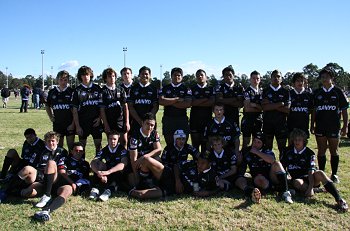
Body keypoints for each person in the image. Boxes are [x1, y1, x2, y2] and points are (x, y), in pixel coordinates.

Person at [281, 128, 348, 212]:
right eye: (295, 140)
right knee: (297, 183)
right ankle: (316, 190)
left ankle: (340, 200)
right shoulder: (287, 151)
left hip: (311, 177)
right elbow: (282, 168)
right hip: (299, 179)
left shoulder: (310, 153)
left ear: (304, 141)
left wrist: (310, 188)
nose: (297, 142)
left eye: (299, 140)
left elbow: (311, 171)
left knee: (320, 173)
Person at [33, 142, 90, 221]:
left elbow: (85, 178)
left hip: (67, 186)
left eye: (81, 151)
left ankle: (47, 211)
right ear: (71, 151)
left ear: (83, 152)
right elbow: (62, 171)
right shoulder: (65, 159)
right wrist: (72, 182)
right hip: (57, 180)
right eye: (76, 150)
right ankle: (47, 195)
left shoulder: (85, 164)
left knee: (67, 191)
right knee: (51, 163)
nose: (78, 152)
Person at [311, 67, 349, 183]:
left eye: (327, 77)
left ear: (332, 78)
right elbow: (313, 111)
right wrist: (312, 125)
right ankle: (321, 173)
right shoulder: (317, 93)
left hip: (334, 126)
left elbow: (344, 111)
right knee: (321, 150)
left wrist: (345, 126)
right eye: (322, 77)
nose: (324, 79)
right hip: (320, 126)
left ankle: (334, 174)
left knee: (334, 151)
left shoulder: (338, 92)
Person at [241, 132, 293, 204]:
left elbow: (271, 160)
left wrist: (256, 152)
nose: (255, 144)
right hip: (258, 177)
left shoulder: (266, 150)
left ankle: (286, 192)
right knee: (260, 179)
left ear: (263, 144)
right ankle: (277, 189)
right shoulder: (247, 151)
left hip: (270, 176)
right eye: (254, 141)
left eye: (259, 142)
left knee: (277, 164)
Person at [206, 136, 261, 203]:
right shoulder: (209, 154)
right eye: (214, 145)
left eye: (219, 144)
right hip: (219, 178)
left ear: (222, 144)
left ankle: (251, 192)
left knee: (241, 180)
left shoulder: (229, 152)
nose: (217, 146)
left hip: (231, 176)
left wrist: (220, 177)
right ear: (212, 146)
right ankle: (226, 187)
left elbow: (233, 170)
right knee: (217, 183)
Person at [72, 65, 103, 154]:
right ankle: (83, 165)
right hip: (83, 123)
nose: (85, 77)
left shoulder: (97, 88)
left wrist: (100, 118)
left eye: (87, 74)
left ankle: (97, 165)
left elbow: (102, 107)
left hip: (95, 122)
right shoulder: (77, 90)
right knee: (81, 147)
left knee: (98, 146)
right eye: (83, 75)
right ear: (80, 76)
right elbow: (74, 110)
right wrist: (77, 126)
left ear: (90, 75)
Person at [89, 131, 128, 201]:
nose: (112, 141)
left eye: (114, 139)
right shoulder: (104, 150)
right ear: (107, 139)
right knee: (99, 164)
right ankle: (95, 189)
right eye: (110, 139)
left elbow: (123, 164)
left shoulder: (122, 150)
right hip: (107, 172)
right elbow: (93, 162)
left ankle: (109, 191)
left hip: (116, 172)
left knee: (119, 171)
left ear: (118, 139)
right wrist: (99, 173)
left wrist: (108, 172)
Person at [159, 67, 192, 146]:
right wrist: (177, 99)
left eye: (179, 75)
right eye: (174, 75)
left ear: (182, 77)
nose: (177, 77)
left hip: (182, 120)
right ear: (171, 76)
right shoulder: (165, 88)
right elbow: (161, 101)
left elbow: (187, 104)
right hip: (168, 119)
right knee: (169, 144)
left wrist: (169, 101)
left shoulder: (186, 89)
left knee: (182, 144)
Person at [128, 112, 162, 188]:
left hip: (146, 159)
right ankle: (142, 180)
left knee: (158, 159)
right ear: (142, 123)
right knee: (134, 185)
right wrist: (137, 178)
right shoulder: (134, 136)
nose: (150, 127)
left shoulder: (154, 133)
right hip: (136, 163)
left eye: (152, 125)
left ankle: (156, 181)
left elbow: (159, 150)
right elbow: (133, 160)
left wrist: (145, 157)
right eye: (147, 124)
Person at [161, 130, 199, 194]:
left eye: (183, 139)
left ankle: (196, 190)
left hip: (184, 169)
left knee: (194, 173)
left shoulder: (187, 147)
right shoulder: (168, 148)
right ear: (175, 139)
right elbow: (163, 162)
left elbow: (199, 155)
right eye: (179, 139)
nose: (181, 141)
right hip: (171, 170)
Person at [261, 70, 290, 155]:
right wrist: (279, 104)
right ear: (271, 78)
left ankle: (282, 167)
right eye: (274, 76)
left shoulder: (285, 92)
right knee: (267, 149)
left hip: (281, 124)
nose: (276, 78)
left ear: (281, 79)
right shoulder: (265, 91)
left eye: (278, 76)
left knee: (282, 149)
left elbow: (287, 110)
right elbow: (264, 108)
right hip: (267, 124)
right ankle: (269, 167)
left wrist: (271, 104)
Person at [45, 70, 75, 151]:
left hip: (69, 123)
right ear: (57, 80)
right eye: (61, 80)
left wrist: (73, 123)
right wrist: (51, 117)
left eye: (65, 80)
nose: (63, 82)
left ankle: (70, 163)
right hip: (58, 123)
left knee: (71, 146)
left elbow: (75, 110)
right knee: (59, 147)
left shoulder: (72, 92)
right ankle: (60, 162)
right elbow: (47, 105)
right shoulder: (52, 92)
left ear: (68, 80)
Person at [100, 67, 129, 148]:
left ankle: (123, 159)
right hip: (110, 121)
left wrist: (127, 122)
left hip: (120, 120)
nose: (112, 78)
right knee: (112, 142)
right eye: (109, 76)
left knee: (124, 141)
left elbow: (125, 106)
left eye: (113, 76)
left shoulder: (121, 89)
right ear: (105, 78)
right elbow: (102, 110)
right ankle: (112, 160)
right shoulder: (103, 91)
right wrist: (105, 125)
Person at [189, 69, 215, 152]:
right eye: (198, 75)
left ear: (206, 77)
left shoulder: (211, 89)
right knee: (195, 145)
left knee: (206, 146)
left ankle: (206, 164)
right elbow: (191, 103)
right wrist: (206, 99)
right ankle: (196, 164)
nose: (200, 77)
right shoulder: (192, 89)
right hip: (194, 120)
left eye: (201, 75)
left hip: (207, 121)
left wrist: (198, 102)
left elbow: (212, 102)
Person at [128, 66, 159, 133]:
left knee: (151, 142)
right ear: (139, 75)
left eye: (146, 74)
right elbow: (130, 106)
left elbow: (155, 106)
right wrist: (140, 121)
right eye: (142, 74)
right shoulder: (133, 88)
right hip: (136, 122)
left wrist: (147, 120)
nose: (144, 76)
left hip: (150, 123)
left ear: (150, 75)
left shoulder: (154, 89)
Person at [287, 72, 313, 138]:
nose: (300, 83)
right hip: (291, 126)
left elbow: (311, 111)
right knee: (291, 146)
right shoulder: (289, 94)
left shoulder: (309, 95)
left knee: (303, 146)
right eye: (298, 81)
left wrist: (312, 125)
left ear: (305, 82)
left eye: (302, 81)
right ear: (294, 83)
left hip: (304, 127)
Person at [241, 71, 263, 149]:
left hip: (258, 120)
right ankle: (244, 158)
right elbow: (247, 109)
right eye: (253, 78)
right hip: (248, 120)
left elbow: (264, 107)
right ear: (250, 79)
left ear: (260, 80)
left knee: (256, 143)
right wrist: (260, 108)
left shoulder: (262, 92)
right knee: (246, 142)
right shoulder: (247, 91)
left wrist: (255, 105)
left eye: (257, 78)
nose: (255, 80)